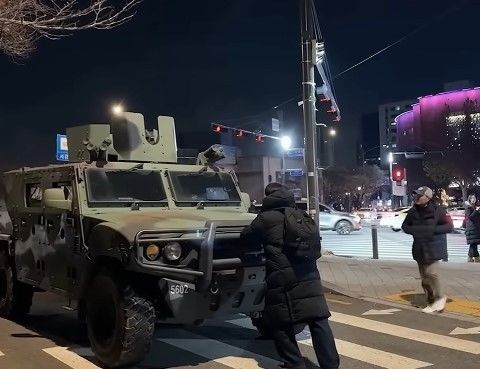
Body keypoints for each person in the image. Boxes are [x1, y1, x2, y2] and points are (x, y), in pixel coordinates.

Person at [241, 183, 339, 369]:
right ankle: (331, 365)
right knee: (318, 320)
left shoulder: (265, 219)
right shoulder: (302, 216)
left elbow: (246, 237)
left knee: (279, 323)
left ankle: (294, 363)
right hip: (310, 276)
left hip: (282, 279)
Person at [402, 186, 453, 314]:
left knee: (432, 273)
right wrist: (415, 231)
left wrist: (433, 231)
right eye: (416, 195)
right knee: (425, 278)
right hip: (419, 247)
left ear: (428, 197)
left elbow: (449, 226)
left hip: (433, 247)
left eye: (420, 195)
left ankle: (440, 298)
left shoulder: (438, 211)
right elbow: (405, 226)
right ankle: (431, 301)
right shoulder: (413, 211)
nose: (417, 197)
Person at [465, 194, 480, 262]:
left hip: (475, 228)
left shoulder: (474, 207)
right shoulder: (468, 207)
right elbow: (470, 217)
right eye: (472, 198)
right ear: (470, 199)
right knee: (473, 244)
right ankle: (475, 257)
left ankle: (471, 258)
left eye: (475, 198)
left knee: (474, 243)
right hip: (471, 229)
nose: (474, 199)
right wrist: (476, 210)